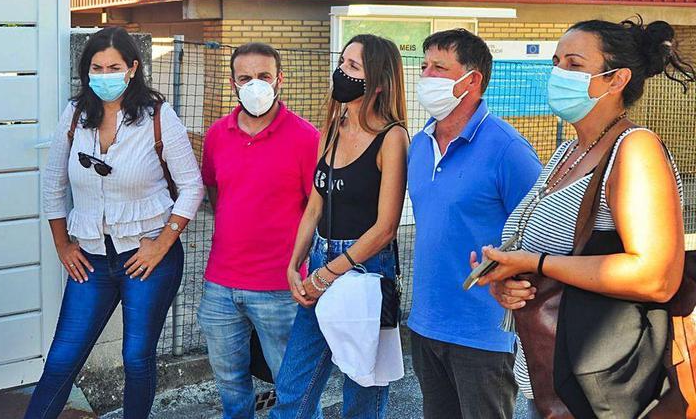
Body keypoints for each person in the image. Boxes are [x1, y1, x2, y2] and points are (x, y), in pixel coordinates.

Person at [478, 18, 694, 418]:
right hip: (546, 376)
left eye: (574, 64)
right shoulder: (567, 153)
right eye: (556, 61)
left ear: (617, 80)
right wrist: (509, 281)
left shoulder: (635, 150)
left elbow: (657, 277)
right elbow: (550, 257)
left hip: (598, 386)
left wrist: (536, 264)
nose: (559, 73)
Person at [27, 26, 204, 419]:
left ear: (132, 69)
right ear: (85, 71)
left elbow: (192, 187)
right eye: (96, 67)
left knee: (136, 359)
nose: (104, 74)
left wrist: (161, 244)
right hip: (90, 257)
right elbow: (53, 184)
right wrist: (62, 245)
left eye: (113, 67)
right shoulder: (74, 115)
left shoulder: (158, 117)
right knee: (61, 360)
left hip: (148, 258)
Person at [269, 34, 409, 418]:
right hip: (320, 259)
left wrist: (327, 274)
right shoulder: (332, 126)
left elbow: (385, 228)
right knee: (293, 387)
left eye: (353, 66)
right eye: (342, 62)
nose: (340, 72)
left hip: (367, 268)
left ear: (377, 81)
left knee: (363, 392)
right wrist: (295, 264)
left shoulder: (392, 137)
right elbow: (316, 204)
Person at [406, 29, 542, 419]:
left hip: (484, 332)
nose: (426, 77)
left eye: (439, 68)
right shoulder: (420, 145)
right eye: (424, 66)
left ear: (472, 80)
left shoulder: (507, 149)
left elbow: (540, 232)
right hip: (426, 324)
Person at [198, 42, 319, 419]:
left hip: (280, 289)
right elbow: (215, 192)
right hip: (220, 287)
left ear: (279, 79)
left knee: (293, 389)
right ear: (233, 83)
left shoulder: (306, 138)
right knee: (231, 385)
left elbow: (315, 210)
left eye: (264, 76)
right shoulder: (217, 135)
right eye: (245, 78)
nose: (255, 85)